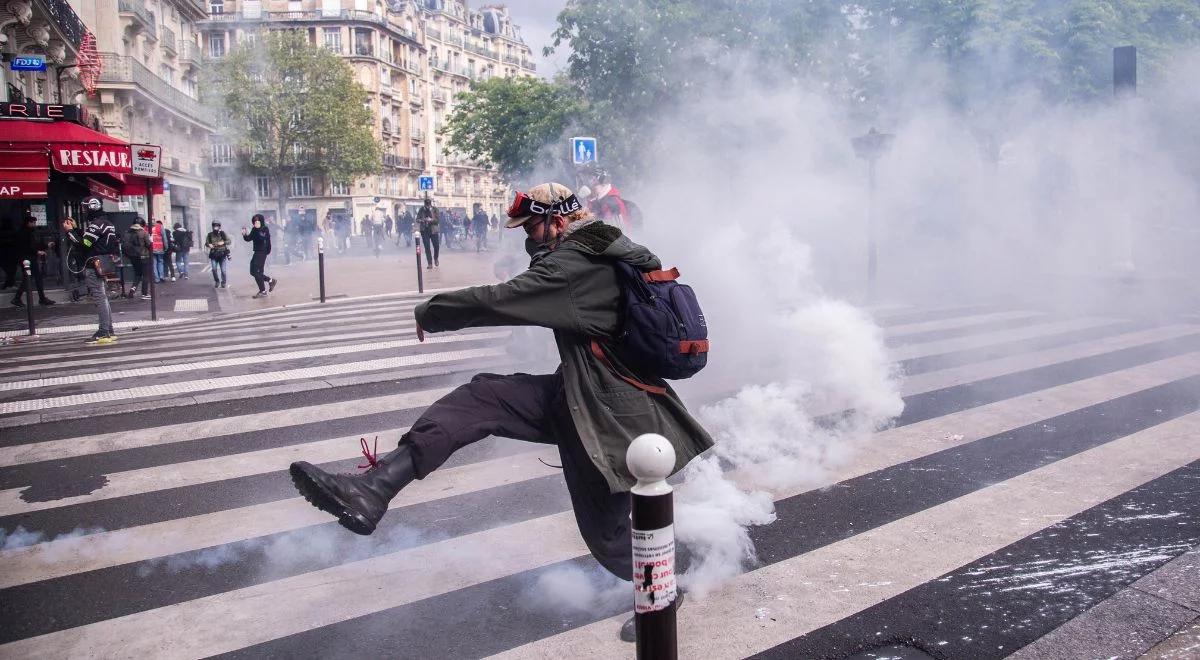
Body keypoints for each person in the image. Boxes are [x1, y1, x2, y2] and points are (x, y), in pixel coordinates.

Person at [288, 182, 712, 641]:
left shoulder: (577, 262)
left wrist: (432, 310)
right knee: (482, 397)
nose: (527, 235)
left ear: (558, 219)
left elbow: (503, 298)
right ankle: (374, 487)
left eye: (532, 225)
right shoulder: (592, 248)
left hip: (607, 411)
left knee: (607, 536)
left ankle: (668, 582)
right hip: (581, 392)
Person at [63, 198, 120, 344]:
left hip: (93, 265)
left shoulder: (96, 225)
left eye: (85, 208)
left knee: (99, 298)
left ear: (92, 208)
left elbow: (84, 244)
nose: (83, 211)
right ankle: (109, 330)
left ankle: (103, 332)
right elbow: (92, 240)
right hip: (104, 263)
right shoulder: (107, 223)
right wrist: (76, 229)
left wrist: (69, 232)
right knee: (103, 297)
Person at [10, 214, 55, 307]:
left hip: (27, 258)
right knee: (32, 278)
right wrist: (38, 252)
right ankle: (39, 298)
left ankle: (19, 298)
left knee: (29, 278)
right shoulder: (25, 233)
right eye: (33, 223)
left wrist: (45, 246)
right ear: (28, 223)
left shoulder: (28, 232)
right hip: (27, 258)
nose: (35, 224)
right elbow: (27, 247)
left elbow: (34, 245)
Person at [242, 214, 277, 298]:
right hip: (256, 252)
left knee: (257, 272)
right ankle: (270, 280)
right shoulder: (254, 229)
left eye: (257, 221)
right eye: (254, 222)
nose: (256, 223)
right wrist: (244, 234)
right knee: (253, 271)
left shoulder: (264, 229)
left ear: (261, 221)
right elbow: (249, 238)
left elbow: (262, 238)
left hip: (262, 252)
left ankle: (263, 291)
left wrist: (258, 229)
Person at [122, 218, 152, 299]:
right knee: (145, 275)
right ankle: (144, 294)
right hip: (144, 256)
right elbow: (149, 245)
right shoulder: (144, 233)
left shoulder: (127, 233)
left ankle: (132, 291)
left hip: (133, 257)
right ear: (142, 224)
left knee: (137, 274)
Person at [415, 198, 440, 268]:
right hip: (424, 230)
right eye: (426, 205)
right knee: (427, 247)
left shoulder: (435, 209)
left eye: (428, 205)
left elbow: (437, 220)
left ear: (430, 204)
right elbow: (417, 219)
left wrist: (431, 220)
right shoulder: (421, 210)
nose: (427, 206)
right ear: (424, 204)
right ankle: (430, 263)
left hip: (434, 230)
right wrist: (422, 220)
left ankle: (436, 258)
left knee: (436, 246)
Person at [205, 221, 231, 289]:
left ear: (219, 226)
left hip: (222, 254)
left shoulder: (223, 233)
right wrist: (209, 244)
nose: (215, 227)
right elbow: (207, 243)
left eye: (217, 226)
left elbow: (229, 241)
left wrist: (223, 242)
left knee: (223, 271)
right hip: (214, 254)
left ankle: (223, 282)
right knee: (214, 269)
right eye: (214, 226)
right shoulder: (210, 234)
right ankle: (217, 281)